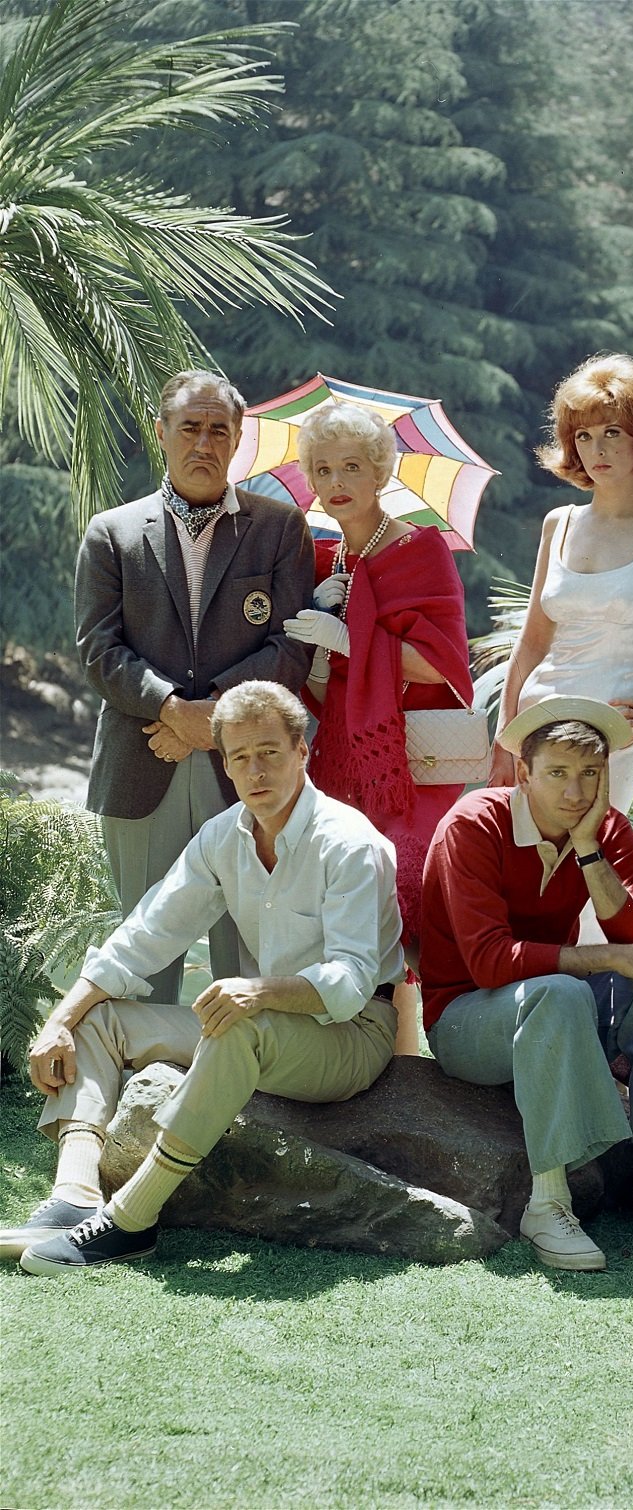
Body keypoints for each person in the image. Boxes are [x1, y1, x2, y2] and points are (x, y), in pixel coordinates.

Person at [2, 681, 404, 1273]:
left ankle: (130, 1223)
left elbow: (348, 983)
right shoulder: (224, 836)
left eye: (269, 751)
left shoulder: (348, 843)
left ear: (303, 751)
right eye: (239, 757)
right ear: (225, 764)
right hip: (258, 1025)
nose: (255, 770)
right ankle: (75, 1195)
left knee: (240, 1026)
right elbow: (146, 935)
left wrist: (260, 991)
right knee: (98, 1017)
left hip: (352, 1034)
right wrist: (60, 1019)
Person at [422, 695, 633, 1272]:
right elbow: (488, 962)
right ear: (524, 774)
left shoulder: (604, 828)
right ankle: (548, 1203)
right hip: (464, 1019)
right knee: (561, 990)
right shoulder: (474, 823)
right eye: (556, 774)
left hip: (555, 1006)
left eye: (589, 774)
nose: (575, 792)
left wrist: (587, 850)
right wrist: (604, 956)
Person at [75, 368, 313, 1004]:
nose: (203, 443)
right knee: (144, 946)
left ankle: (255, 1095)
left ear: (238, 440)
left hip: (248, 765)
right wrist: (173, 710)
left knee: (251, 938)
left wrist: (216, 721)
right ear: (162, 433)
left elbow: (292, 646)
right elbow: (97, 650)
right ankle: (139, 1094)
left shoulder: (280, 529)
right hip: (142, 755)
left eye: (218, 430)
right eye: (189, 428)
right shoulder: (112, 533)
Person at [282, 401, 473, 1056]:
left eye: (352, 466)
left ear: (380, 472)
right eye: (323, 467)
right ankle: (361, 1049)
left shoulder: (420, 550)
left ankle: (448, 1043)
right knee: (336, 889)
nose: (336, 481)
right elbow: (310, 685)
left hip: (410, 764)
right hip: (339, 758)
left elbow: (444, 662)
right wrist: (317, 627)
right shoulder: (322, 559)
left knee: (406, 884)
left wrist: (352, 636)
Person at [488, 353, 633, 815]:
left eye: (612, 432)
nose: (598, 450)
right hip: (536, 730)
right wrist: (504, 738)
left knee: (594, 873)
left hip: (614, 735)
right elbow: (532, 642)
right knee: (531, 878)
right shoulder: (559, 523)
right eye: (584, 436)